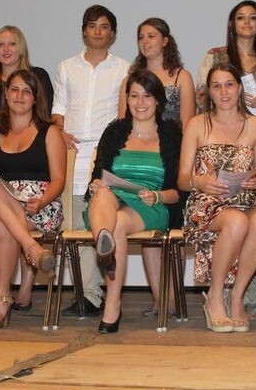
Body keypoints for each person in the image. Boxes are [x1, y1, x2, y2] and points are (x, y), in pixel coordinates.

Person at [180, 62, 256, 333]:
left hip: (244, 200)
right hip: (206, 203)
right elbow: (182, 179)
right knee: (237, 221)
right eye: (217, 86)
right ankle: (215, 297)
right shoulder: (196, 124)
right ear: (209, 92)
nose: (224, 92)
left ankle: (236, 296)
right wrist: (199, 181)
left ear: (239, 89)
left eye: (229, 84)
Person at [85, 70, 182, 333]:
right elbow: (97, 176)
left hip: (150, 205)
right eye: (134, 95)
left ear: (158, 100)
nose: (140, 102)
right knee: (104, 197)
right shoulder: (114, 131)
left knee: (116, 224)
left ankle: (111, 298)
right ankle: (105, 241)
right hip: (108, 203)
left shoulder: (172, 135)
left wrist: (158, 195)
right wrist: (96, 184)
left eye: (147, 96)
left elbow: (179, 191)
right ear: (126, 99)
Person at [51, 5, 130, 316]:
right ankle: (87, 294)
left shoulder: (123, 68)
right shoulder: (66, 67)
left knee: (97, 219)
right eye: (92, 25)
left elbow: (124, 116)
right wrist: (59, 132)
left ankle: (96, 295)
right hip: (71, 152)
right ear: (84, 31)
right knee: (75, 223)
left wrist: (111, 147)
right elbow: (58, 110)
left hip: (105, 153)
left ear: (113, 33)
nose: (98, 31)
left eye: (104, 26)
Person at [117, 17, 195, 317]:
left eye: (151, 36)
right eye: (141, 36)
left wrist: (183, 162)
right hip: (140, 160)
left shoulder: (181, 76)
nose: (145, 41)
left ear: (165, 40)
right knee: (148, 227)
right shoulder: (131, 78)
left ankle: (175, 296)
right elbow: (122, 124)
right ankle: (159, 298)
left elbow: (188, 124)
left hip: (173, 158)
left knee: (174, 229)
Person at [0, 69, 63, 328]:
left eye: (27, 91)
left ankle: (1, 297)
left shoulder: (50, 132)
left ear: (35, 98)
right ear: (6, 93)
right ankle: (31, 247)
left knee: (3, 225)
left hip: (39, 204)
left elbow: (59, 179)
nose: (19, 96)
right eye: (14, 89)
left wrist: (42, 201)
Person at [196, 0, 256, 210]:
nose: (247, 22)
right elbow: (201, 94)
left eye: (253, 18)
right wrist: (229, 98)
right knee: (222, 195)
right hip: (221, 134)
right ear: (231, 24)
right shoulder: (215, 56)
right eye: (241, 18)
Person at [0, 25, 53, 155]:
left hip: (33, 150)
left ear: (22, 49)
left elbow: (45, 116)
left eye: (12, 44)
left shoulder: (38, 77)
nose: (6, 49)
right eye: (0, 45)